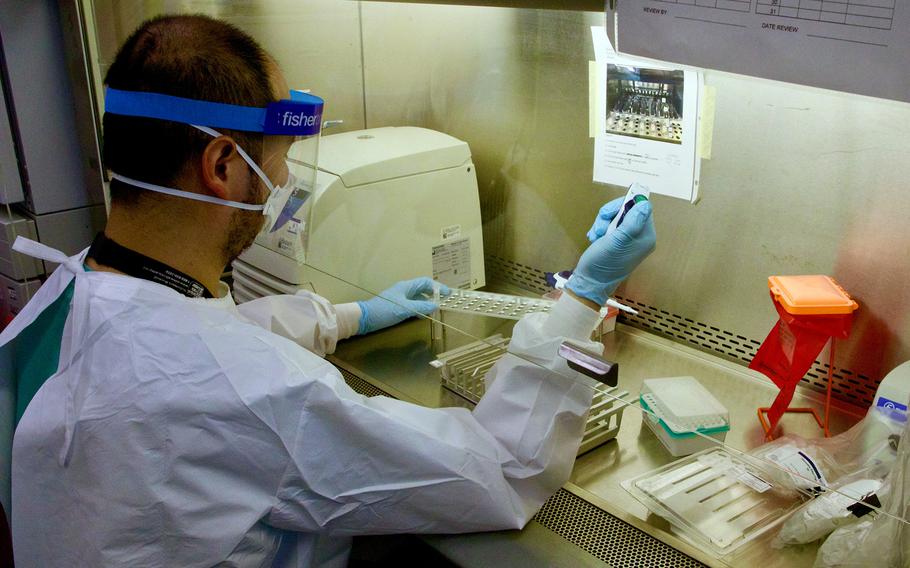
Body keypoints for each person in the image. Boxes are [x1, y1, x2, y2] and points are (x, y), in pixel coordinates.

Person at [1, 14, 656, 568]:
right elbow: (501, 469)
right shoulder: (255, 393)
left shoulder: (62, 295)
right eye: (282, 155)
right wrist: (581, 300)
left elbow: (177, 343)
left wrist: (347, 315)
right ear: (223, 166)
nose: (285, 179)